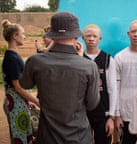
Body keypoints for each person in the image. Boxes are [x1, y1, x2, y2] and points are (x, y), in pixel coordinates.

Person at [19, 11, 100, 144]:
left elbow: (25, 84)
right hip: (79, 137)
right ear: (76, 36)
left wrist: (47, 50)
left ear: (52, 34)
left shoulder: (36, 61)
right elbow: (92, 104)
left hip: (47, 137)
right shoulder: (89, 66)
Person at [1, 19, 40, 144]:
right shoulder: (11, 58)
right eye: (22, 33)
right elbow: (18, 87)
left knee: (25, 134)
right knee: (21, 138)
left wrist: (28, 101)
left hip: (19, 101)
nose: (25, 36)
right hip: (15, 102)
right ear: (15, 36)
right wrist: (36, 101)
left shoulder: (13, 55)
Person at [114, 19, 137, 144]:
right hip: (126, 113)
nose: (136, 34)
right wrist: (117, 114)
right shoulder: (120, 57)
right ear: (128, 34)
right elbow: (115, 87)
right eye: (133, 31)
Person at [82, 24, 117, 144]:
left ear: (100, 39)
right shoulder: (79, 59)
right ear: (83, 37)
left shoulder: (107, 59)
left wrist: (111, 117)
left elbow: (113, 89)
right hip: (82, 112)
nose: (91, 38)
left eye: (94, 36)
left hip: (102, 112)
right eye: (88, 36)